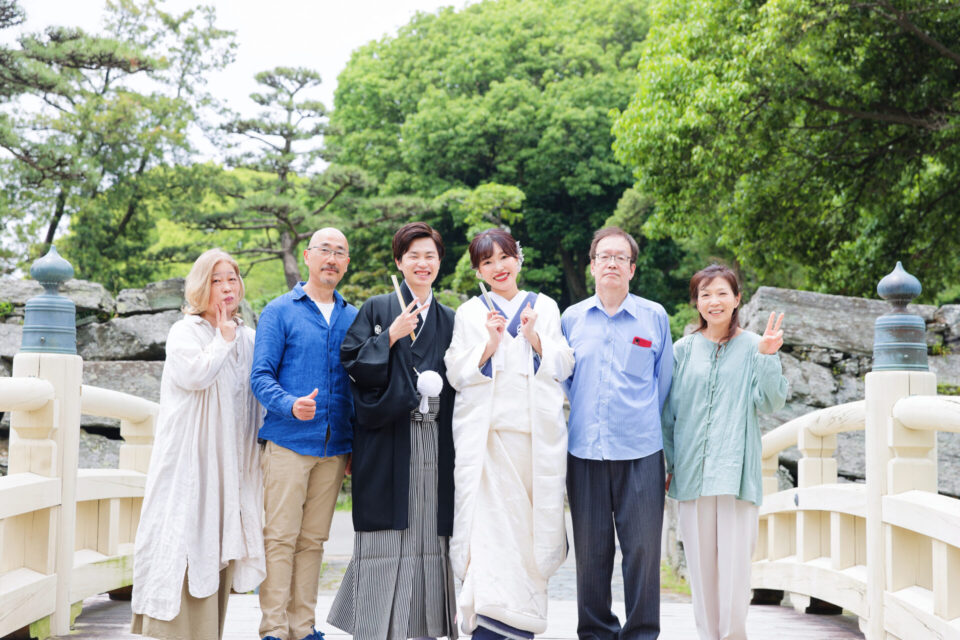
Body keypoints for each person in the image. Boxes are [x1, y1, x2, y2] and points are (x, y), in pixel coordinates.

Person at [328, 221, 458, 640]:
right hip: (386, 439)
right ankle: (374, 626)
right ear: (399, 261)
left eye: (430, 256)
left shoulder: (451, 318)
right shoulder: (378, 309)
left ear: (440, 262)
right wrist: (390, 338)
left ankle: (420, 627)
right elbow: (351, 363)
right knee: (387, 533)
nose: (422, 263)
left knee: (426, 527)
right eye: (413, 256)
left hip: (435, 442)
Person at [444, 228, 574, 639]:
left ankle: (521, 625)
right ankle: (486, 624)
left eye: (504, 257)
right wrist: (489, 343)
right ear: (477, 271)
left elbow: (564, 364)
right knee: (488, 539)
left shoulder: (546, 307)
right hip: (487, 446)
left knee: (525, 541)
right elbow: (455, 371)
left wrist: (534, 338)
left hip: (531, 446)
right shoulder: (469, 313)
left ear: (518, 258)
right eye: (487, 262)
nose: (498, 267)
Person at [131, 249, 265, 640]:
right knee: (186, 534)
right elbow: (194, 375)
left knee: (219, 537)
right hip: (192, 461)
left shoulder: (248, 338)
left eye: (232, 279)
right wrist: (222, 341)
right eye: (217, 280)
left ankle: (210, 632)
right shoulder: (184, 331)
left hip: (230, 463)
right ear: (200, 286)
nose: (226, 287)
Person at [662, 264, 787, 640]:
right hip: (690, 476)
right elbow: (668, 415)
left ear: (736, 299)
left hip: (735, 476)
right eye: (705, 294)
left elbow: (771, 402)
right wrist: (668, 464)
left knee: (734, 573)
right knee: (701, 574)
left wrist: (767, 356)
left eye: (721, 293)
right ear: (696, 303)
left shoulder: (753, 346)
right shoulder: (681, 350)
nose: (713, 301)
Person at [560, 226, 673, 640]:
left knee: (642, 552)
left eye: (620, 258)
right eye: (603, 256)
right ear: (592, 265)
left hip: (641, 451)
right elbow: (565, 382)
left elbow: (663, 385)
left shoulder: (654, 316)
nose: (611, 263)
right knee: (591, 553)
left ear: (632, 269)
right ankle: (595, 632)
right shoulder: (571, 318)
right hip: (585, 452)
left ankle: (642, 633)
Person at [250, 228, 357, 640]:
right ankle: (273, 629)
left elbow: (358, 385)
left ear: (347, 264)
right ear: (308, 257)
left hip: (335, 448)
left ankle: (303, 626)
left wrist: (355, 448)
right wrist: (290, 404)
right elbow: (260, 377)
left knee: (313, 541)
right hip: (288, 443)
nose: (331, 259)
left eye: (340, 253)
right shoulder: (280, 311)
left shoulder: (354, 317)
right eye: (325, 251)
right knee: (279, 538)